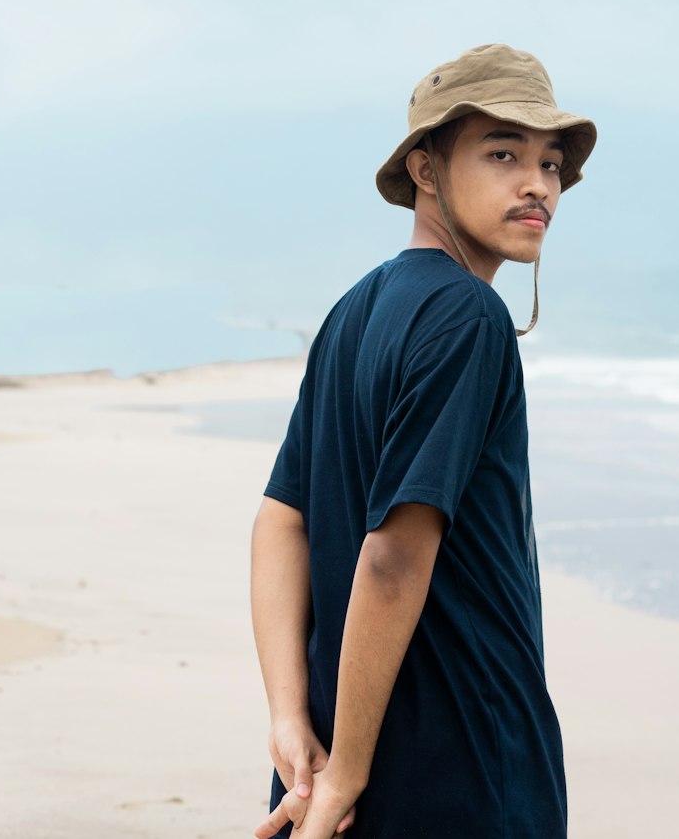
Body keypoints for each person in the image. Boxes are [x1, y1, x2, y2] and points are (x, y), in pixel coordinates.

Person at [250, 43, 596, 838]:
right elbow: (395, 555)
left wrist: (290, 722)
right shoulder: (469, 320)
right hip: (463, 762)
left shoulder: (351, 312)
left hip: (335, 760)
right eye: (502, 153)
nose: (538, 183)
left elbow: (281, 519)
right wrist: (351, 774)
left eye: (550, 161)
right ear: (426, 168)